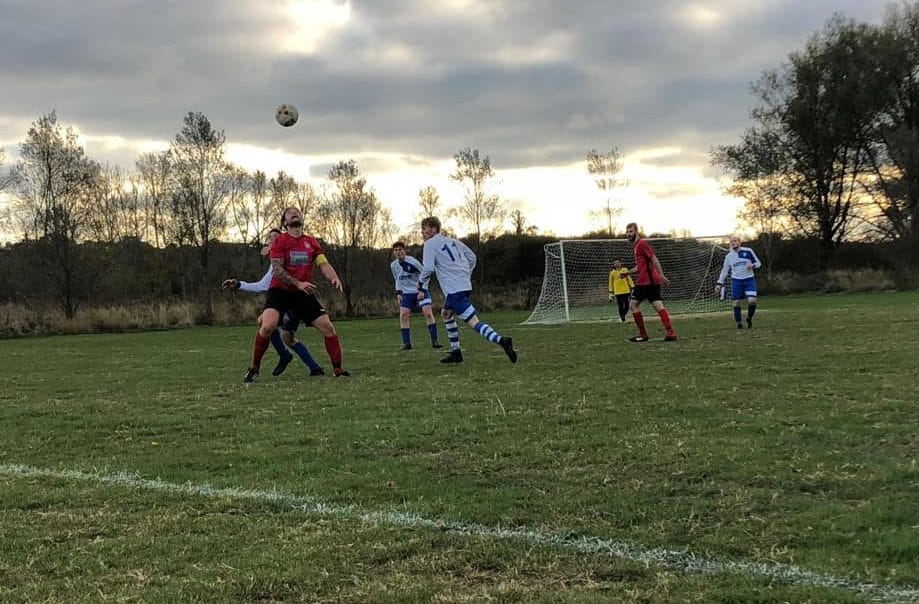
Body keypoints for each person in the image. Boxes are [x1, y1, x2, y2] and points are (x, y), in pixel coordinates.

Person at [243, 207, 349, 382]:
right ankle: (254, 369)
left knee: (328, 328)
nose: (294, 213)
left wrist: (334, 276)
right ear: (285, 222)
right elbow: (277, 270)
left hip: (302, 293)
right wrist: (298, 283)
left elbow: (323, 264)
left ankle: (338, 370)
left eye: (297, 212)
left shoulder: (311, 242)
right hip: (280, 291)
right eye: (290, 213)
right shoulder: (280, 241)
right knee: (267, 325)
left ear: (302, 218)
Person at [221, 228, 325, 377]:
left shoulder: (286, 256)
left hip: (295, 300)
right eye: (269, 237)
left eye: (275, 237)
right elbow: (263, 284)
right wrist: (239, 284)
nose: (271, 239)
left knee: (285, 336)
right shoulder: (275, 261)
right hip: (284, 301)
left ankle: (296, 360)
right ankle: (306, 365)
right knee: (272, 327)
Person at [417, 216, 517, 364]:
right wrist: (465, 274)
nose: (422, 232)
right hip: (464, 286)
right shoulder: (453, 241)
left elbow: (428, 268)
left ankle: (502, 341)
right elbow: (472, 257)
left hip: (454, 290)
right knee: (446, 314)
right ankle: (456, 352)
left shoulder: (430, 244)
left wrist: (420, 284)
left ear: (433, 229)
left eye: (424, 229)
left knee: (474, 322)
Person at [624, 222, 677, 342]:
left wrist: (661, 275)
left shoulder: (642, 244)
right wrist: (628, 273)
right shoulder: (637, 246)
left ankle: (643, 334)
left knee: (633, 305)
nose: (628, 234)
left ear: (636, 232)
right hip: (650, 280)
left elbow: (654, 258)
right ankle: (670, 333)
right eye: (627, 232)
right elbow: (640, 267)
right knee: (658, 305)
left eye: (631, 231)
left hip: (646, 281)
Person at [390, 241, 442, 350]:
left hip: (420, 291)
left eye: (400, 250)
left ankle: (435, 341)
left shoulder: (413, 262)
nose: (398, 252)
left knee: (428, 313)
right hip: (407, 294)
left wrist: (422, 290)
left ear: (404, 251)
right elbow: (397, 279)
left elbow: (425, 274)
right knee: (403, 316)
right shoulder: (393, 265)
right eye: (396, 250)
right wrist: (398, 292)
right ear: (394, 253)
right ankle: (407, 344)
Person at [715, 235, 762, 329]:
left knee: (752, 301)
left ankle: (749, 318)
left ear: (740, 242)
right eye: (731, 242)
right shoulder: (729, 256)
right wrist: (719, 283)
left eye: (735, 241)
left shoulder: (748, 251)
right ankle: (739, 323)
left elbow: (758, 263)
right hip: (736, 281)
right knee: (736, 302)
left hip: (749, 279)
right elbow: (724, 271)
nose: (733, 243)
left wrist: (752, 266)